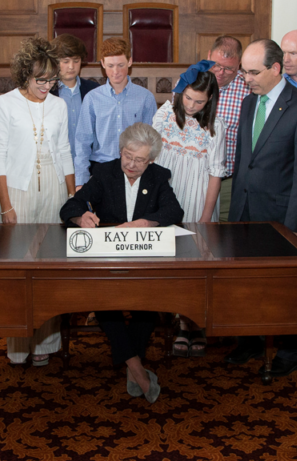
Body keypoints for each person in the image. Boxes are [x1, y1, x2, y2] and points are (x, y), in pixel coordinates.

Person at [60, 122, 184, 403]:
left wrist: (145, 222)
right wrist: (82, 218)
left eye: (139, 160)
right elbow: (70, 207)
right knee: (106, 303)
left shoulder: (158, 176)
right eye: (127, 155)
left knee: (147, 304)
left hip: (143, 256)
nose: (131, 163)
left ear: (151, 160)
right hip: (108, 257)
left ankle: (131, 365)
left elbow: (174, 211)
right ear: (121, 151)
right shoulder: (104, 173)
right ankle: (136, 367)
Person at [223, 39, 297, 367]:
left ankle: (289, 350)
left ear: (276, 69)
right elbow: (244, 161)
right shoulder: (248, 103)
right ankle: (249, 340)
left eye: (253, 72)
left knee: (282, 289)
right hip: (244, 211)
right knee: (245, 283)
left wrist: (294, 226)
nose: (246, 79)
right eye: (244, 72)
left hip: (282, 218)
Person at [0, 37, 73, 365]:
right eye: (41, 79)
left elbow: (65, 150)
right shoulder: (5, 103)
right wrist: (6, 205)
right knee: (19, 268)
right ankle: (19, 345)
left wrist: (71, 197)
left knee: (49, 267)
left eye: (52, 80)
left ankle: (45, 344)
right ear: (25, 73)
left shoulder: (59, 105)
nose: (48, 86)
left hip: (53, 189)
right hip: (18, 192)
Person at [152, 70, 224, 357]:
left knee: (195, 262)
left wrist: (206, 215)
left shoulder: (215, 126)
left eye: (199, 102)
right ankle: (180, 321)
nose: (191, 106)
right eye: (188, 98)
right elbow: (152, 156)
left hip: (198, 196)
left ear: (209, 101)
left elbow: (216, 174)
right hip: (168, 192)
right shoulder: (165, 113)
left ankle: (196, 323)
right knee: (171, 260)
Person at [169, 36, 249, 222]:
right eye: (217, 65)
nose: (221, 73)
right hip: (187, 177)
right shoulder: (189, 81)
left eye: (229, 68)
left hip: (227, 180)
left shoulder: (247, 89)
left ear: (239, 64)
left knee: (220, 238)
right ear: (208, 56)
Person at [73, 37, 157, 188]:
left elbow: (150, 142)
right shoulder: (92, 98)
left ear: (130, 61)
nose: (116, 72)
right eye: (110, 66)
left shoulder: (145, 98)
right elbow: (82, 141)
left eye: (121, 65)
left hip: (135, 170)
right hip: (101, 168)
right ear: (102, 63)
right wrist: (80, 181)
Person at [51, 34, 99, 160]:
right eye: (65, 61)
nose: (71, 66)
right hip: (56, 164)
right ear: (55, 62)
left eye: (76, 61)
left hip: (87, 164)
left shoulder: (93, 90)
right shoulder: (47, 92)